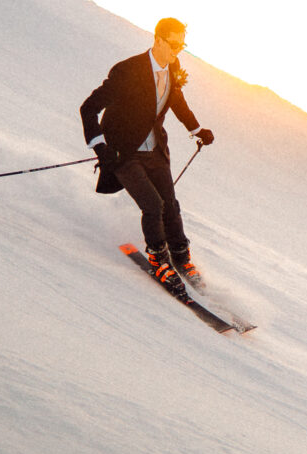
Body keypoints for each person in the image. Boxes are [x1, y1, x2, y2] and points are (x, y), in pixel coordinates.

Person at [81, 17, 214, 289]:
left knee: (171, 204)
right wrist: (100, 146)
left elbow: (176, 101)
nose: (178, 50)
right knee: (153, 206)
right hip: (123, 153)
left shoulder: (173, 67)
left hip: (154, 150)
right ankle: (157, 258)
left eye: (182, 44)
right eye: (173, 43)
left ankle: (180, 255)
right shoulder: (127, 71)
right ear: (158, 40)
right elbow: (88, 108)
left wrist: (197, 129)